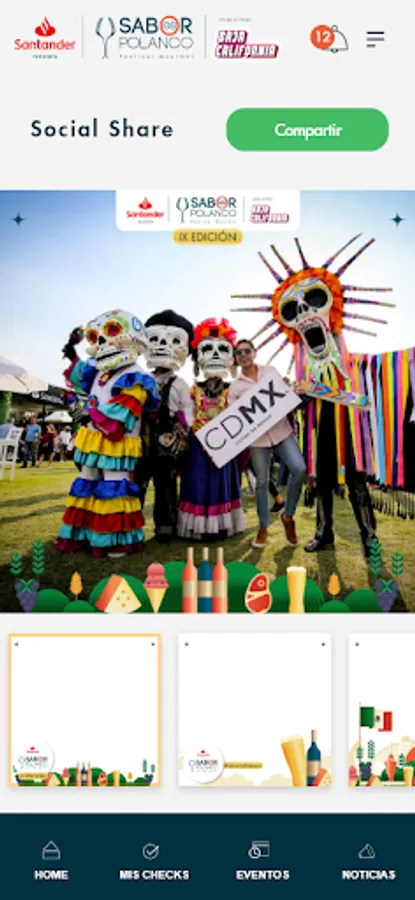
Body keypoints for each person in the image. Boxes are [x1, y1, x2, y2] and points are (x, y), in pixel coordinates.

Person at [57, 310, 159, 557]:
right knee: (88, 480)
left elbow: (125, 409)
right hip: (94, 439)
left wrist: (90, 414)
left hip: (119, 441)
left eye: (112, 333)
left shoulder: (135, 374)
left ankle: (116, 540)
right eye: (97, 338)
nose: (103, 343)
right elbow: (80, 374)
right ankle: (83, 534)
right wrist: (72, 351)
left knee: (114, 483)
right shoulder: (99, 372)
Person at [227, 339, 306, 549]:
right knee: (261, 483)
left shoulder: (270, 372)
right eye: (239, 352)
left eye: (247, 350)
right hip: (258, 441)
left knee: (299, 469)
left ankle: (288, 516)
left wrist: (288, 387)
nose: (243, 355)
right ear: (235, 358)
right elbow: (235, 418)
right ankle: (263, 528)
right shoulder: (235, 387)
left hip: (282, 432)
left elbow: (286, 395)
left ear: (255, 352)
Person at [177, 318, 245, 540]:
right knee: (198, 484)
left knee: (219, 485)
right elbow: (185, 415)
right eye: (207, 349)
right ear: (198, 358)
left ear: (231, 359)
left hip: (224, 446)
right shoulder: (192, 389)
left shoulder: (234, 389)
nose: (215, 355)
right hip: (198, 447)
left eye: (222, 349)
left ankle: (220, 526)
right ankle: (199, 527)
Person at [140, 309, 194, 542]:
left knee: (166, 482)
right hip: (142, 435)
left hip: (167, 436)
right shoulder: (143, 379)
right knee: (138, 480)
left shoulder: (180, 383)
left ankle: (165, 525)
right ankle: (132, 524)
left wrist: (185, 429)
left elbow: (187, 410)